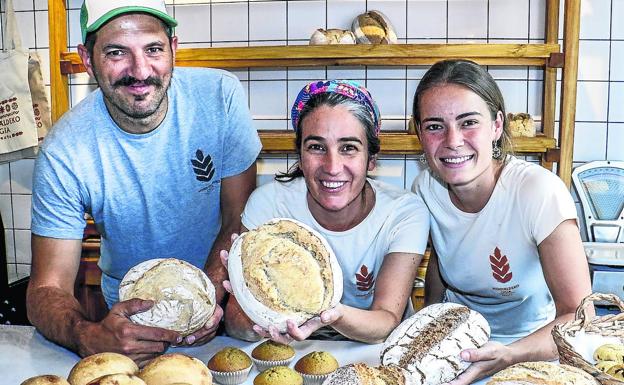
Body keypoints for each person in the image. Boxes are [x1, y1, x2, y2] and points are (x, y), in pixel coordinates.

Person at [27, 0, 261, 364]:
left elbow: (238, 218)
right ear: (87, 59)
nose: (140, 70)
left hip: (220, 307)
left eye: (153, 49)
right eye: (117, 52)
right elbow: (46, 287)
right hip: (130, 326)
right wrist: (87, 334)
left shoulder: (219, 97)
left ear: (173, 50)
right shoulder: (65, 151)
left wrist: (205, 298)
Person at [410, 59, 592, 384]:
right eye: (435, 126)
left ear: (496, 126)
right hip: (454, 350)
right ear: (420, 133)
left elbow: (580, 316)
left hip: (530, 353)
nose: (452, 140)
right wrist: (426, 333)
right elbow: (441, 259)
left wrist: (508, 355)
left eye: (468, 122)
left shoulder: (538, 192)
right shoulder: (425, 188)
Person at [222, 80, 430, 344]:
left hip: (375, 354)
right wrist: (250, 312)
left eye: (349, 148)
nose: (332, 167)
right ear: (299, 154)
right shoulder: (269, 205)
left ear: (372, 160)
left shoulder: (403, 212)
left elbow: (386, 320)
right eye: (317, 147)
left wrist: (327, 315)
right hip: (292, 355)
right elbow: (236, 324)